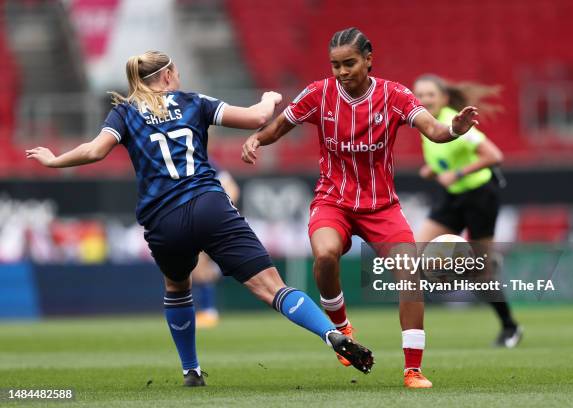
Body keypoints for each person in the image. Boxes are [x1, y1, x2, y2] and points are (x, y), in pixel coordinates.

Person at [26, 50, 374, 387]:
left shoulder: (124, 113)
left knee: (177, 287)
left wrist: (55, 160)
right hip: (209, 205)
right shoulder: (194, 101)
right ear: (167, 75)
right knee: (273, 288)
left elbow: (95, 150)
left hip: (163, 219)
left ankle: (191, 369)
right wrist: (269, 99)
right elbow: (255, 118)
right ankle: (330, 334)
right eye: (175, 72)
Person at [241, 28, 479, 389]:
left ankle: (412, 370)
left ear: (369, 59)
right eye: (335, 65)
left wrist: (454, 129)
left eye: (349, 63)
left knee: (409, 275)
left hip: (381, 206)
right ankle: (341, 329)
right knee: (324, 255)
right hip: (332, 200)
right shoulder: (318, 94)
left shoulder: (395, 94)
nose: (341, 71)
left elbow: (432, 130)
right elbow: (280, 127)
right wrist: (257, 138)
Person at [413, 74, 522, 348]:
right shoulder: (426, 123)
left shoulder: (456, 122)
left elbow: (494, 156)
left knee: (482, 273)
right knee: (413, 251)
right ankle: (415, 332)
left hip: (479, 197)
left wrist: (457, 173)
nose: (425, 100)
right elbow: (447, 158)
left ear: (445, 98)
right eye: (420, 95)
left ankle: (510, 327)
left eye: (430, 94)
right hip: (453, 197)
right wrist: (434, 169)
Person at [192, 162, 240, 329]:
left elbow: (232, 188)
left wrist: (221, 209)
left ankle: (208, 311)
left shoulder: (203, 161)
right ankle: (222, 270)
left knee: (199, 263)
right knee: (197, 266)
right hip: (192, 219)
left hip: (208, 219)